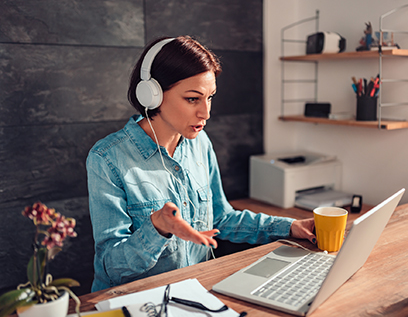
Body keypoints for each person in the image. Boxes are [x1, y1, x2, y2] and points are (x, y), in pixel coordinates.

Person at [86, 36, 316, 292]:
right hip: (136, 301)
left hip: (195, 293)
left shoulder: (199, 143)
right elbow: (111, 266)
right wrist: (157, 228)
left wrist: (290, 227)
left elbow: (222, 218)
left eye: (210, 98)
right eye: (193, 99)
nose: (206, 113)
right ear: (152, 94)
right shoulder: (107, 158)